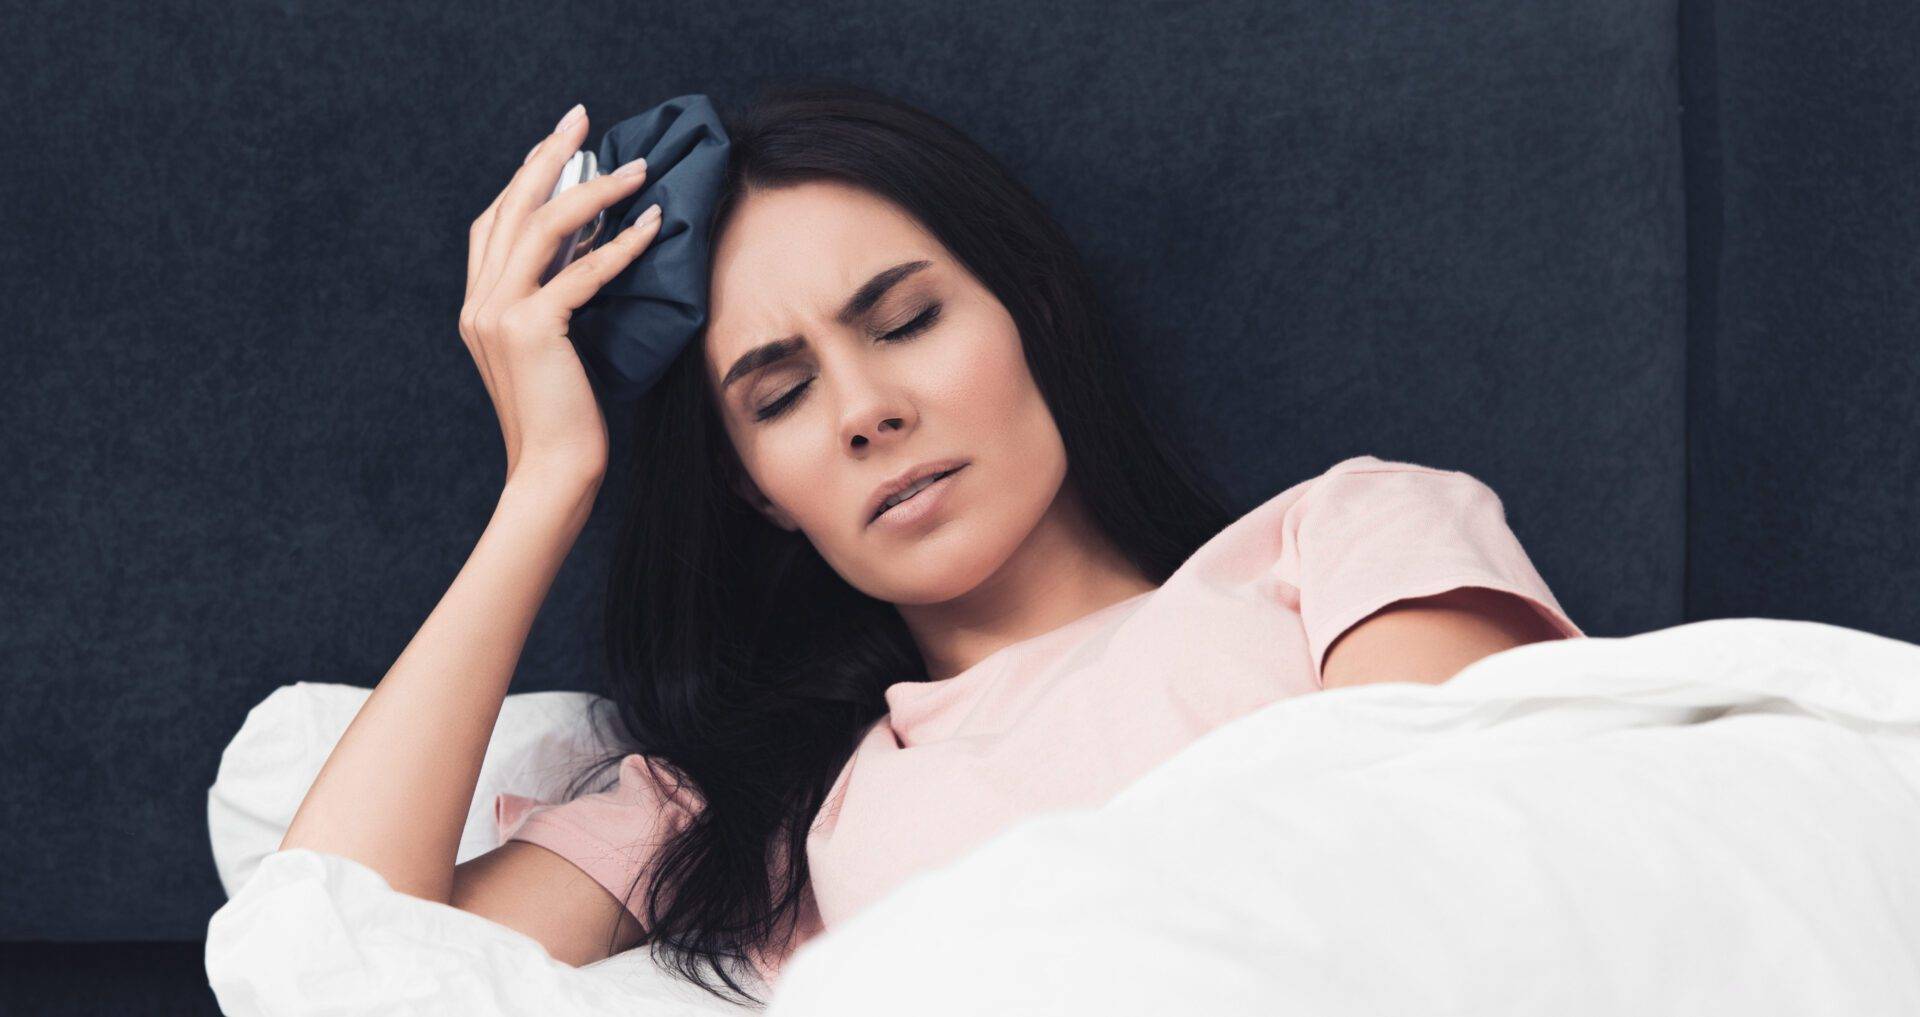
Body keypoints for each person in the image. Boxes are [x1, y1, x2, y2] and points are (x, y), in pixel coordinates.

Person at [276, 80, 1582, 1009]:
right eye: (780, 396)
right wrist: (547, 479)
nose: (865, 410)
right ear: (758, 489)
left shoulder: (1342, 540)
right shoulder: (750, 821)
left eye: (904, 320)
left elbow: (1464, 880)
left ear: (1032, 311)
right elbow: (334, 956)